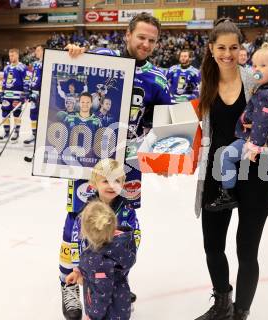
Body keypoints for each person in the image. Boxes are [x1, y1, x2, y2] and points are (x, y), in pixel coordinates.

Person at [60, 13, 171, 320]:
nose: (146, 44)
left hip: (128, 165)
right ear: (127, 34)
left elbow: (164, 127)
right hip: (88, 159)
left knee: (125, 220)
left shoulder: (156, 79)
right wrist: (76, 55)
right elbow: (70, 73)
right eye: (141, 37)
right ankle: (68, 281)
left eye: (152, 40)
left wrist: (165, 154)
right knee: (77, 218)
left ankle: (115, 273)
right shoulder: (102, 58)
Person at [194, 18, 268, 320]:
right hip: (216, 172)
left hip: (255, 172)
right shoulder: (204, 81)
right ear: (212, 49)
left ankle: (241, 313)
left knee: (246, 252)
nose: (227, 53)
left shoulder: (255, 79)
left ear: (242, 49)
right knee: (213, 246)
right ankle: (222, 304)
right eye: (221, 47)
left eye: (234, 47)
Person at [206, 41, 268, 213]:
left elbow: (263, 121)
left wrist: (253, 146)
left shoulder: (265, 94)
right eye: (254, 65)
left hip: (257, 140)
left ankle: (227, 194)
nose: (256, 69)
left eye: (262, 66)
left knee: (227, 156)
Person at [65, 200, 137, 320]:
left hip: (109, 313)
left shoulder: (99, 259)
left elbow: (102, 294)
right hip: (120, 303)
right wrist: (78, 271)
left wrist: (92, 316)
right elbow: (90, 266)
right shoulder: (118, 244)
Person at [0, 48, 29, 143]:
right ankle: (6, 133)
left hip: (17, 95)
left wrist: (25, 94)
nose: (11, 57)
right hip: (7, 95)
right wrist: (1, 93)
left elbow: (26, 81)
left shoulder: (22, 67)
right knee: (5, 113)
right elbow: (4, 81)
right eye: (10, 55)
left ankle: (16, 133)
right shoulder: (6, 68)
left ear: (17, 55)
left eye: (13, 55)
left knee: (16, 114)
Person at [24, 45, 44, 146]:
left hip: (42, 93)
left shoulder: (47, 62)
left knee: (42, 115)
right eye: (35, 50)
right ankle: (34, 134)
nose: (35, 52)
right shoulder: (35, 63)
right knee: (33, 114)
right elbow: (31, 77)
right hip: (34, 91)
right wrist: (28, 90)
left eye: (38, 50)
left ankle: (41, 136)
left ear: (44, 51)